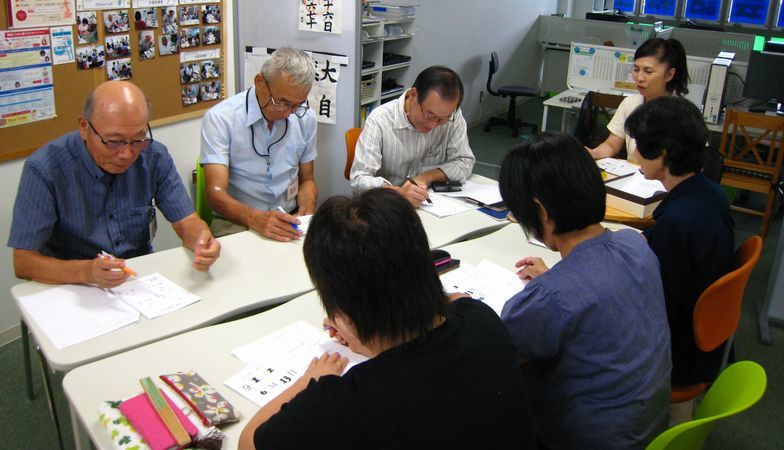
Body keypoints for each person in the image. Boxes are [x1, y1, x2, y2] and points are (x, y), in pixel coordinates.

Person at [238, 188, 536, 450]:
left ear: (344, 312)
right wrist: (366, 336)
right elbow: (457, 301)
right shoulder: (482, 322)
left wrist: (311, 380)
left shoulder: (342, 406)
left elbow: (249, 441)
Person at [498, 132, 671, 448]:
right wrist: (558, 280)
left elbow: (493, 351)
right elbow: (593, 289)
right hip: (652, 429)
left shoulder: (550, 299)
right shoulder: (636, 244)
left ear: (543, 212)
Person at [8, 81, 221, 289]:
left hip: (135, 282)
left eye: (138, 139)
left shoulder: (154, 156)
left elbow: (186, 221)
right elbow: (24, 262)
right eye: (113, 141)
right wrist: (87, 272)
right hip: (71, 286)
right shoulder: (45, 169)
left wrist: (201, 240)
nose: (126, 154)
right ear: (84, 127)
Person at [625, 96, 735, 393]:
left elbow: (652, 303)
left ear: (662, 152)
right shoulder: (711, 193)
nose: (634, 154)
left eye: (639, 146)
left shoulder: (676, 224)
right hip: (705, 337)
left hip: (678, 351)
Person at [201, 47, 317, 241]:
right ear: (260, 82)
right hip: (237, 222)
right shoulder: (221, 119)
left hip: (288, 219)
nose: (288, 112)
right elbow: (215, 194)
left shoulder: (305, 118)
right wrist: (256, 219)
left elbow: (307, 180)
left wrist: (307, 209)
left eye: (297, 105)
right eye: (281, 102)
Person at [350, 66, 475, 207]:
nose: (434, 125)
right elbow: (359, 179)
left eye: (442, 119)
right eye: (430, 115)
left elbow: (464, 162)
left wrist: (425, 178)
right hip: (386, 208)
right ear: (413, 95)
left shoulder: (453, 116)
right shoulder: (380, 120)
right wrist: (399, 193)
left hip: (431, 205)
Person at [588, 37, 689, 162]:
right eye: (636, 69)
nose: (639, 78)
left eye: (648, 71)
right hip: (633, 178)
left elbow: (691, 162)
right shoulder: (630, 104)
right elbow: (612, 144)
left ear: (669, 75)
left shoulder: (684, 114)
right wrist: (593, 153)